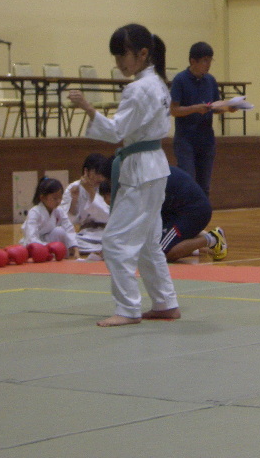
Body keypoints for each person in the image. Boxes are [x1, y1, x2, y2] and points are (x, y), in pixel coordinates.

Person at [68, 23, 180, 327]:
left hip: (141, 169)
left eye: (123, 56)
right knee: (146, 243)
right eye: (116, 57)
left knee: (116, 242)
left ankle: (128, 308)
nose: (119, 64)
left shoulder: (138, 89)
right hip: (154, 166)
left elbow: (117, 131)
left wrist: (88, 108)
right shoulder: (157, 83)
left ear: (143, 54)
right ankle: (165, 302)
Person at [169, 41, 236, 196]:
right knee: (188, 182)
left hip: (206, 139)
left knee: (204, 186)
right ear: (193, 61)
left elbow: (214, 106)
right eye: (205, 60)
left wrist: (228, 107)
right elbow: (174, 110)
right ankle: (186, 217)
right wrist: (195, 108)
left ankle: (201, 218)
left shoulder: (210, 80)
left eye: (210, 60)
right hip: (185, 140)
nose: (208, 64)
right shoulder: (180, 80)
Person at [160, 165, 227, 263]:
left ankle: (213, 238)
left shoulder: (150, 178)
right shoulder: (153, 171)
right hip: (179, 210)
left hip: (194, 211)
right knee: (151, 244)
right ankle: (195, 243)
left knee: (160, 253)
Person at [60, 153, 110, 258]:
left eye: (103, 174)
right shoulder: (73, 188)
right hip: (85, 236)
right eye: (97, 173)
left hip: (107, 233)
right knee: (64, 238)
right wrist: (73, 203)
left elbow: (109, 216)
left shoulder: (108, 187)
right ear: (86, 171)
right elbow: (65, 220)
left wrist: (91, 192)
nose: (100, 177)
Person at [21, 176, 81, 259]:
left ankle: (61, 255)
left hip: (49, 243)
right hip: (34, 247)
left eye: (60, 198)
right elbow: (31, 237)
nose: (58, 201)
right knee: (38, 247)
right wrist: (49, 247)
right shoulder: (34, 212)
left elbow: (68, 228)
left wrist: (75, 249)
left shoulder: (59, 211)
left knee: (59, 231)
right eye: (54, 198)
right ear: (42, 198)